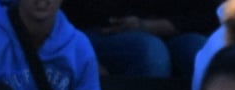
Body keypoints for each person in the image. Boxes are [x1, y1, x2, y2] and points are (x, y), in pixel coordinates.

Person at [62, 2, 210, 78]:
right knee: (152, 53)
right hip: (97, 31)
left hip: (170, 32)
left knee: (201, 51)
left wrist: (151, 26)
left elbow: (209, 15)